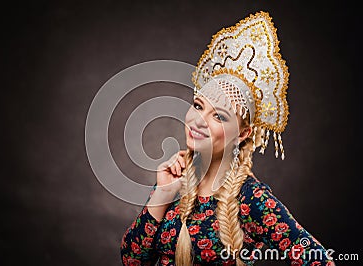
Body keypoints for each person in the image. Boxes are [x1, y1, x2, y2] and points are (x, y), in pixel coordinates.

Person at [120, 11, 335, 265]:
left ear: (243, 134)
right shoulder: (174, 178)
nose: (199, 120)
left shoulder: (251, 198)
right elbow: (131, 261)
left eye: (219, 116)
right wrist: (162, 195)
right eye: (198, 106)